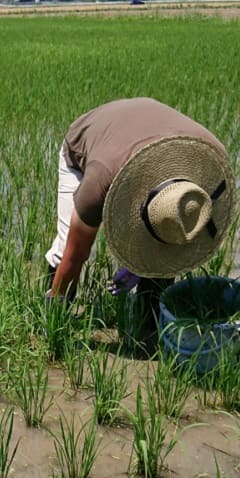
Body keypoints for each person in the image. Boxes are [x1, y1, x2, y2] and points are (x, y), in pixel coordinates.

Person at [44, 97, 235, 334]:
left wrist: (139, 265)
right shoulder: (98, 182)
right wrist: (54, 312)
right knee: (65, 249)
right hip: (89, 137)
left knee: (168, 247)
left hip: (155, 136)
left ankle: (149, 333)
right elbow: (75, 256)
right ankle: (53, 321)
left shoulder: (210, 161)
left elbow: (172, 218)